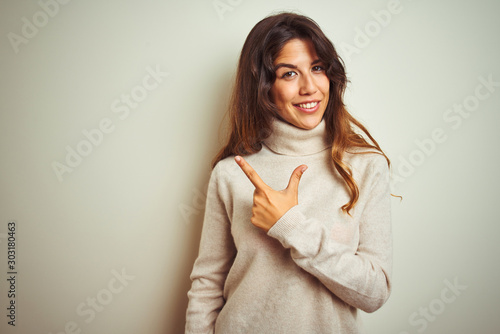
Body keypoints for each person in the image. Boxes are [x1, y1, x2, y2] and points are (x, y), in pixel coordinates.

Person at [185, 12, 392, 334]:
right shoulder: (231, 173)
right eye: (289, 74)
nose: (309, 87)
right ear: (264, 86)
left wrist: (290, 226)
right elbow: (207, 285)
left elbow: (375, 293)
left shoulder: (365, 166)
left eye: (318, 68)